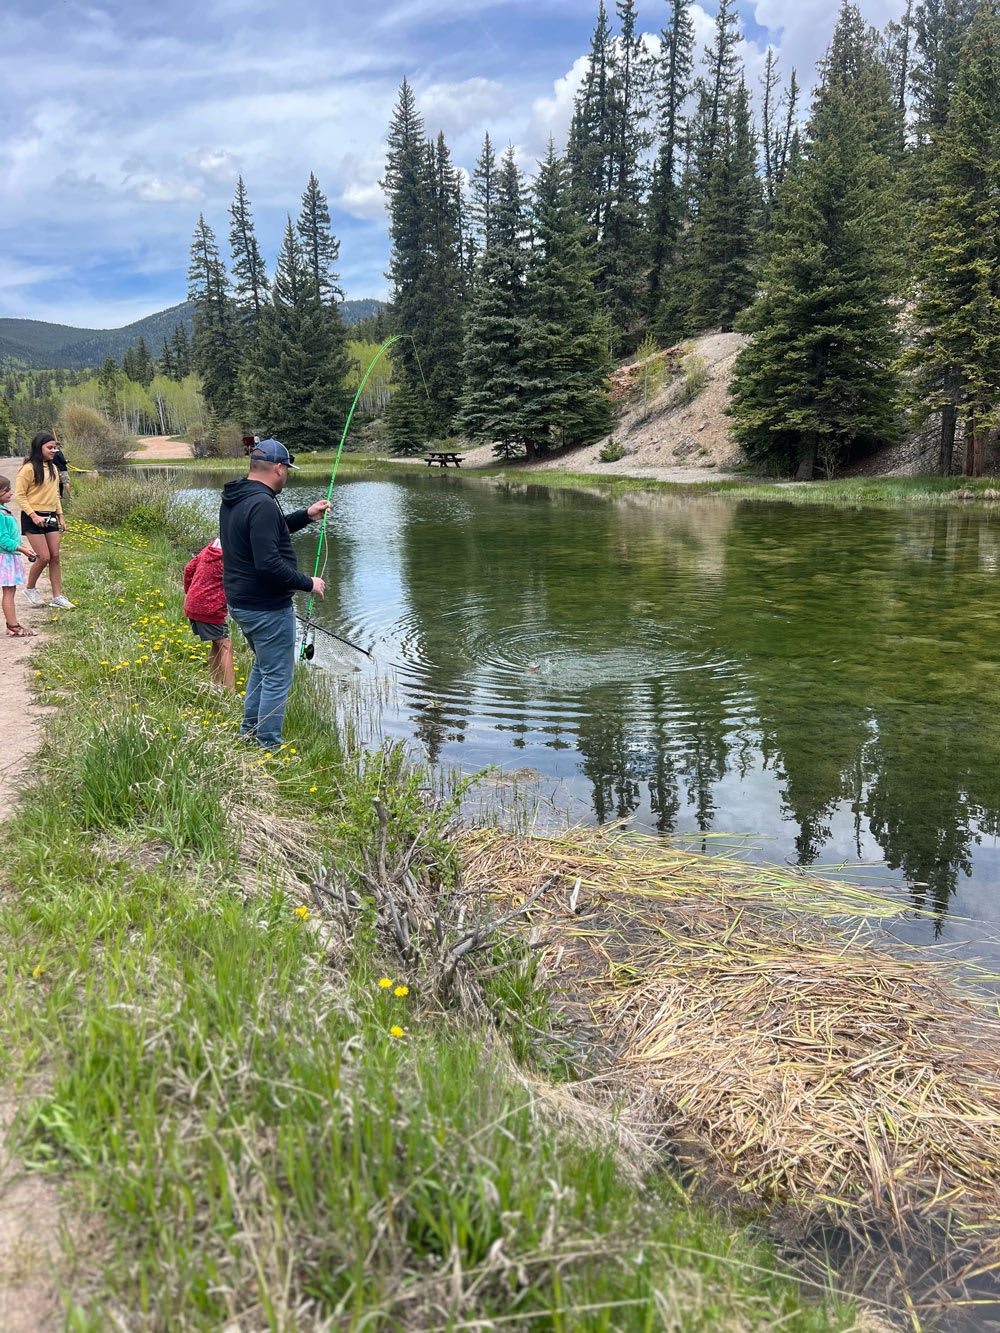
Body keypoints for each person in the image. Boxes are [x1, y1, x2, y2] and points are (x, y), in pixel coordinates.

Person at [219, 439, 328, 750]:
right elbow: (268, 565)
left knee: (263, 668)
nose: (286, 476)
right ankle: (269, 746)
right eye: (287, 470)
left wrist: (307, 515)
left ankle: (248, 732)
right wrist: (308, 582)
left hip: (241, 603)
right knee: (278, 678)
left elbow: (270, 529)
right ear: (279, 468)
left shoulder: (238, 496)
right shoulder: (263, 503)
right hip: (266, 607)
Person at [15, 431, 74, 610]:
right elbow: (20, 495)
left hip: (51, 516)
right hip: (33, 516)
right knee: (44, 557)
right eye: (50, 447)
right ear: (39, 448)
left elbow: (55, 495)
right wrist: (33, 515)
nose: (53, 451)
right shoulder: (28, 469)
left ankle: (57, 596)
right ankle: (30, 588)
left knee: (55, 557)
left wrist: (61, 516)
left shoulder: (54, 469)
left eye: (55, 448)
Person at [183, 538, 235, 690]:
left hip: (193, 603)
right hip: (210, 609)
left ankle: (215, 684)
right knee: (226, 645)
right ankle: (230, 693)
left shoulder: (209, 548)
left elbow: (188, 569)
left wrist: (190, 592)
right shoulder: (231, 557)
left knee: (217, 643)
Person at [0, 476, 40, 637]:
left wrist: (22, 548)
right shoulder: (1, 515)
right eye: (6, 490)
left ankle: (11, 624)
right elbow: (3, 539)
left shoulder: (4, 511)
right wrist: (21, 549)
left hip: (11, 555)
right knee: (9, 591)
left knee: (11, 590)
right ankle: (13, 626)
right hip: (6, 557)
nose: (11, 493)